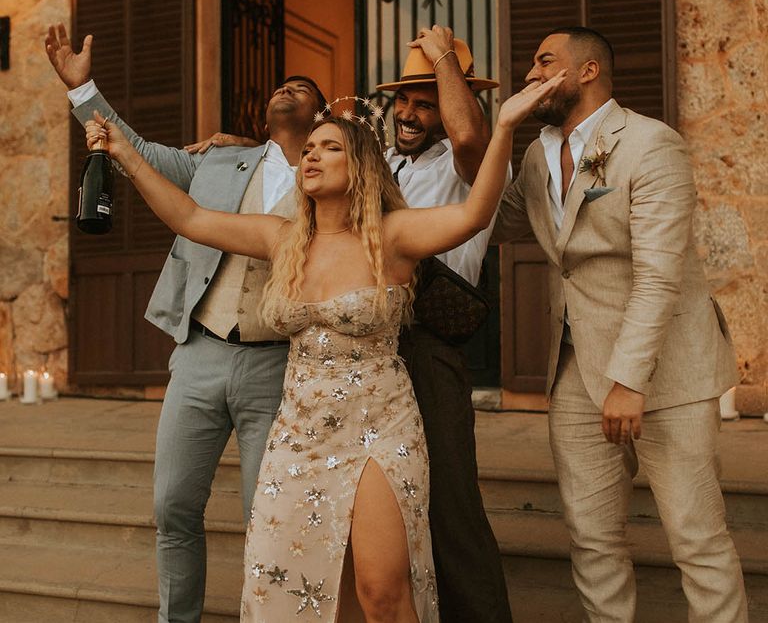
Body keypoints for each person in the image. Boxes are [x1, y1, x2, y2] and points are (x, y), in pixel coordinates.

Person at [83, 70, 565, 622]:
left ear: (357, 163)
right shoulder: (281, 238)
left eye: (328, 147)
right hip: (298, 434)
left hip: (379, 427)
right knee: (315, 593)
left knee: (381, 590)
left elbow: (475, 213)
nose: (310, 157)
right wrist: (124, 152)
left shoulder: (394, 235)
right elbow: (188, 217)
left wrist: (503, 124)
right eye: (308, 148)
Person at [44, 23, 327, 623]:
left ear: (323, 116)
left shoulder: (336, 178)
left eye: (301, 87)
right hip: (199, 353)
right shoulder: (218, 160)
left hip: (279, 363)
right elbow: (135, 153)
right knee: (172, 506)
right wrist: (82, 91)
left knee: (268, 517)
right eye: (281, 84)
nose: (286, 89)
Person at [492, 26, 748, 622]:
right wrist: (495, 131)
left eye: (544, 61)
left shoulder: (651, 144)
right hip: (576, 370)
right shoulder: (535, 154)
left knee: (697, 540)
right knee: (592, 540)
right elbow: (493, 223)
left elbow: (658, 276)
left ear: (586, 71)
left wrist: (629, 381)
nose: (530, 74)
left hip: (667, 372)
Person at [377, 26, 513, 623]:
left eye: (425, 100)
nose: (409, 112)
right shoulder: (378, 161)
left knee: (450, 504)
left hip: (430, 345)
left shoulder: (473, 166)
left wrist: (441, 59)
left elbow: (468, 132)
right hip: (371, 347)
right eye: (404, 99)